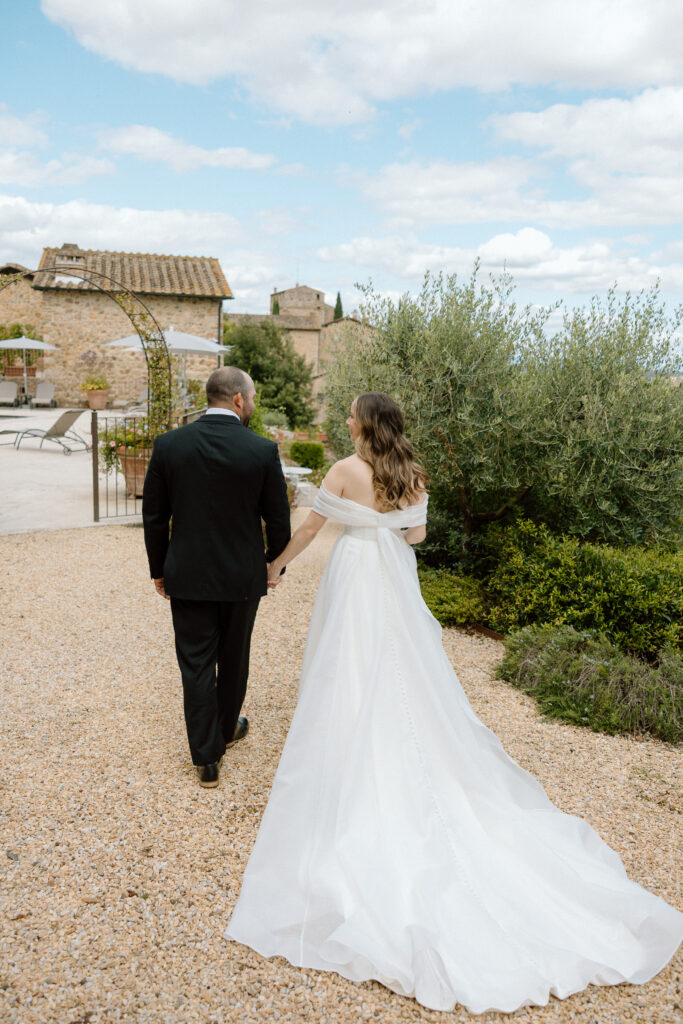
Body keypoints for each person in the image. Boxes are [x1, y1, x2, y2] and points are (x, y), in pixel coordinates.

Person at [224, 391, 683, 1014]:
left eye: (353, 414)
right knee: (407, 674)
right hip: (394, 576)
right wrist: (385, 524)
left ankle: (351, 767)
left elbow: (312, 526)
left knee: (349, 668)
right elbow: (414, 535)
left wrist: (275, 565)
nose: (349, 422)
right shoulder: (412, 474)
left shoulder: (343, 469)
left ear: (362, 423)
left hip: (358, 575)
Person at [142, 366, 290, 788]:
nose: (254, 403)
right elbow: (278, 520)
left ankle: (207, 757)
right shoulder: (262, 450)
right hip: (243, 577)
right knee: (235, 655)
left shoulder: (169, 445)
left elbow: (154, 516)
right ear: (239, 400)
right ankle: (225, 729)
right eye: (254, 397)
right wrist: (273, 564)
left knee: (196, 663)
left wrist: (159, 568)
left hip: (185, 573)